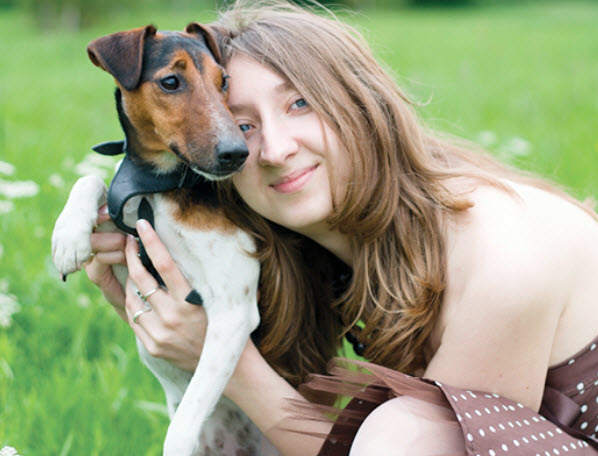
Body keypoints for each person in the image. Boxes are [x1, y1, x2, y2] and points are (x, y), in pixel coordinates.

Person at [84, 1, 598, 455]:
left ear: (362, 102)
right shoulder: (303, 246)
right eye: (242, 125)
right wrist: (152, 297)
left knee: (401, 433)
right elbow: (335, 437)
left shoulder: (498, 254)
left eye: (299, 104)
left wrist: (229, 362)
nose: (277, 149)